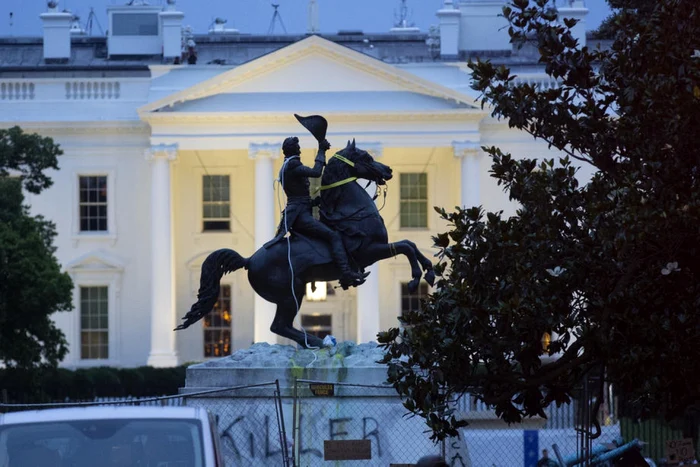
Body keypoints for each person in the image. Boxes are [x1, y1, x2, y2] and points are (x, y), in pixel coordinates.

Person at [269, 136, 368, 289]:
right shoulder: (293, 165)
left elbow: (298, 196)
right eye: (297, 147)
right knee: (333, 236)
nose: (300, 149)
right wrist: (321, 150)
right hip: (300, 216)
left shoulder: (287, 165)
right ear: (292, 149)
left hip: (300, 210)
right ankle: (346, 273)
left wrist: (314, 202)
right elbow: (316, 172)